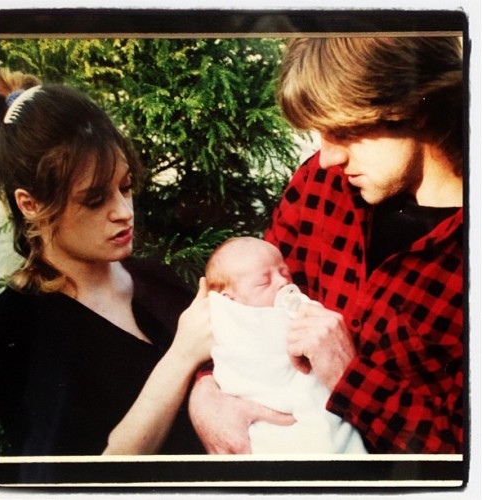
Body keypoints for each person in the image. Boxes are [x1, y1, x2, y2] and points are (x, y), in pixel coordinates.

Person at [189, 36, 463, 454]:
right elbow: (243, 304)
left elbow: (463, 452)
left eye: (344, 131)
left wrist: (347, 374)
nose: (327, 157)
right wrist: (204, 394)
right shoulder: (319, 187)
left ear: (418, 109)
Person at [0, 70, 213, 464]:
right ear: (31, 205)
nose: (123, 212)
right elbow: (77, 479)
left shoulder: (153, 274)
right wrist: (182, 355)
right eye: (95, 199)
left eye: (125, 187)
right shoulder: (15, 327)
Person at [205, 236, 367, 454]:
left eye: (284, 272)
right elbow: (237, 363)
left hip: (313, 405)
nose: (283, 283)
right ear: (230, 299)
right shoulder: (233, 322)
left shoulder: (300, 308)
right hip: (264, 412)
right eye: (264, 282)